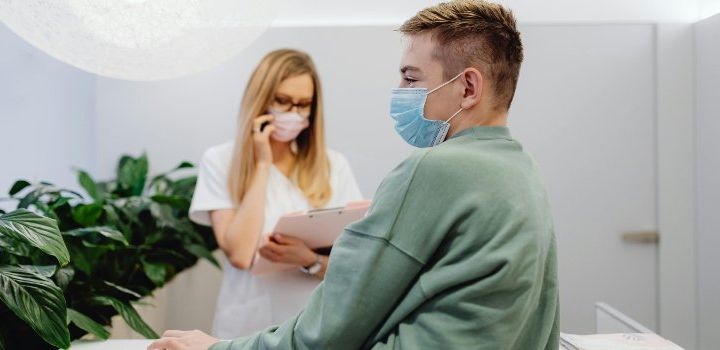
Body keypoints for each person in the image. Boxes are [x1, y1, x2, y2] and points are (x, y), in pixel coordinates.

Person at [151, 0, 559, 348]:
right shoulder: (523, 171)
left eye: (410, 78)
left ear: (468, 88)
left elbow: (339, 321)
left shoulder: (432, 168)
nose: (400, 90)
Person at [187, 48, 364, 339]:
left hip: (315, 324)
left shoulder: (333, 165)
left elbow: (353, 264)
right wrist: (262, 165)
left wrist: (308, 259)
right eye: (283, 101)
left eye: (303, 104)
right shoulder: (220, 161)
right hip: (249, 324)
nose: (293, 113)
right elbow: (241, 254)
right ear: (261, 99)